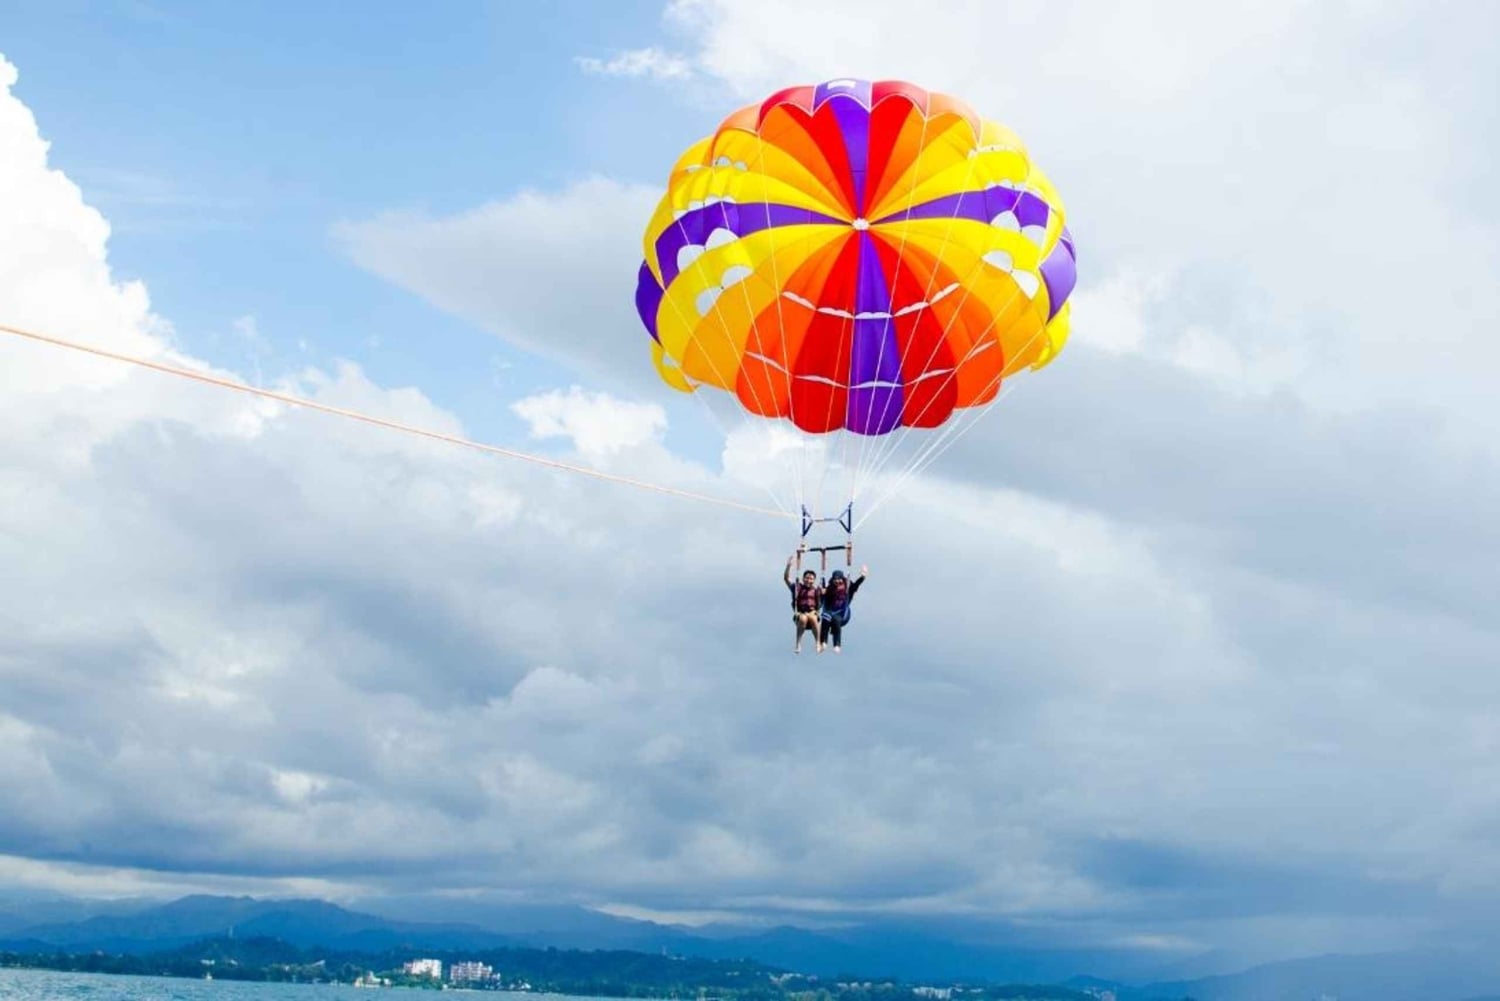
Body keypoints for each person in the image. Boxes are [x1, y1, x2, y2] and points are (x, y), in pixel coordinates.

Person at [819, 565, 868, 653]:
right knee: (825, 618)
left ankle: (837, 644)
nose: (837, 581)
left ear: (842, 579)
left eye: (839, 579)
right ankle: (823, 642)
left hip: (842, 614)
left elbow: (856, 584)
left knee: (836, 620)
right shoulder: (829, 588)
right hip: (830, 611)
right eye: (835, 579)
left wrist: (863, 576)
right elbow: (821, 593)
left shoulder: (848, 587)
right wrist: (821, 592)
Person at [784, 557, 823, 654]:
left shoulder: (817, 590)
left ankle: (818, 642)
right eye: (807, 578)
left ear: (814, 580)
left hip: (813, 612)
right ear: (803, 578)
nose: (808, 580)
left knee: (813, 618)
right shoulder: (797, 588)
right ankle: (798, 643)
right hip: (801, 613)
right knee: (803, 618)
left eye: (811, 579)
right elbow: (786, 579)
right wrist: (788, 566)